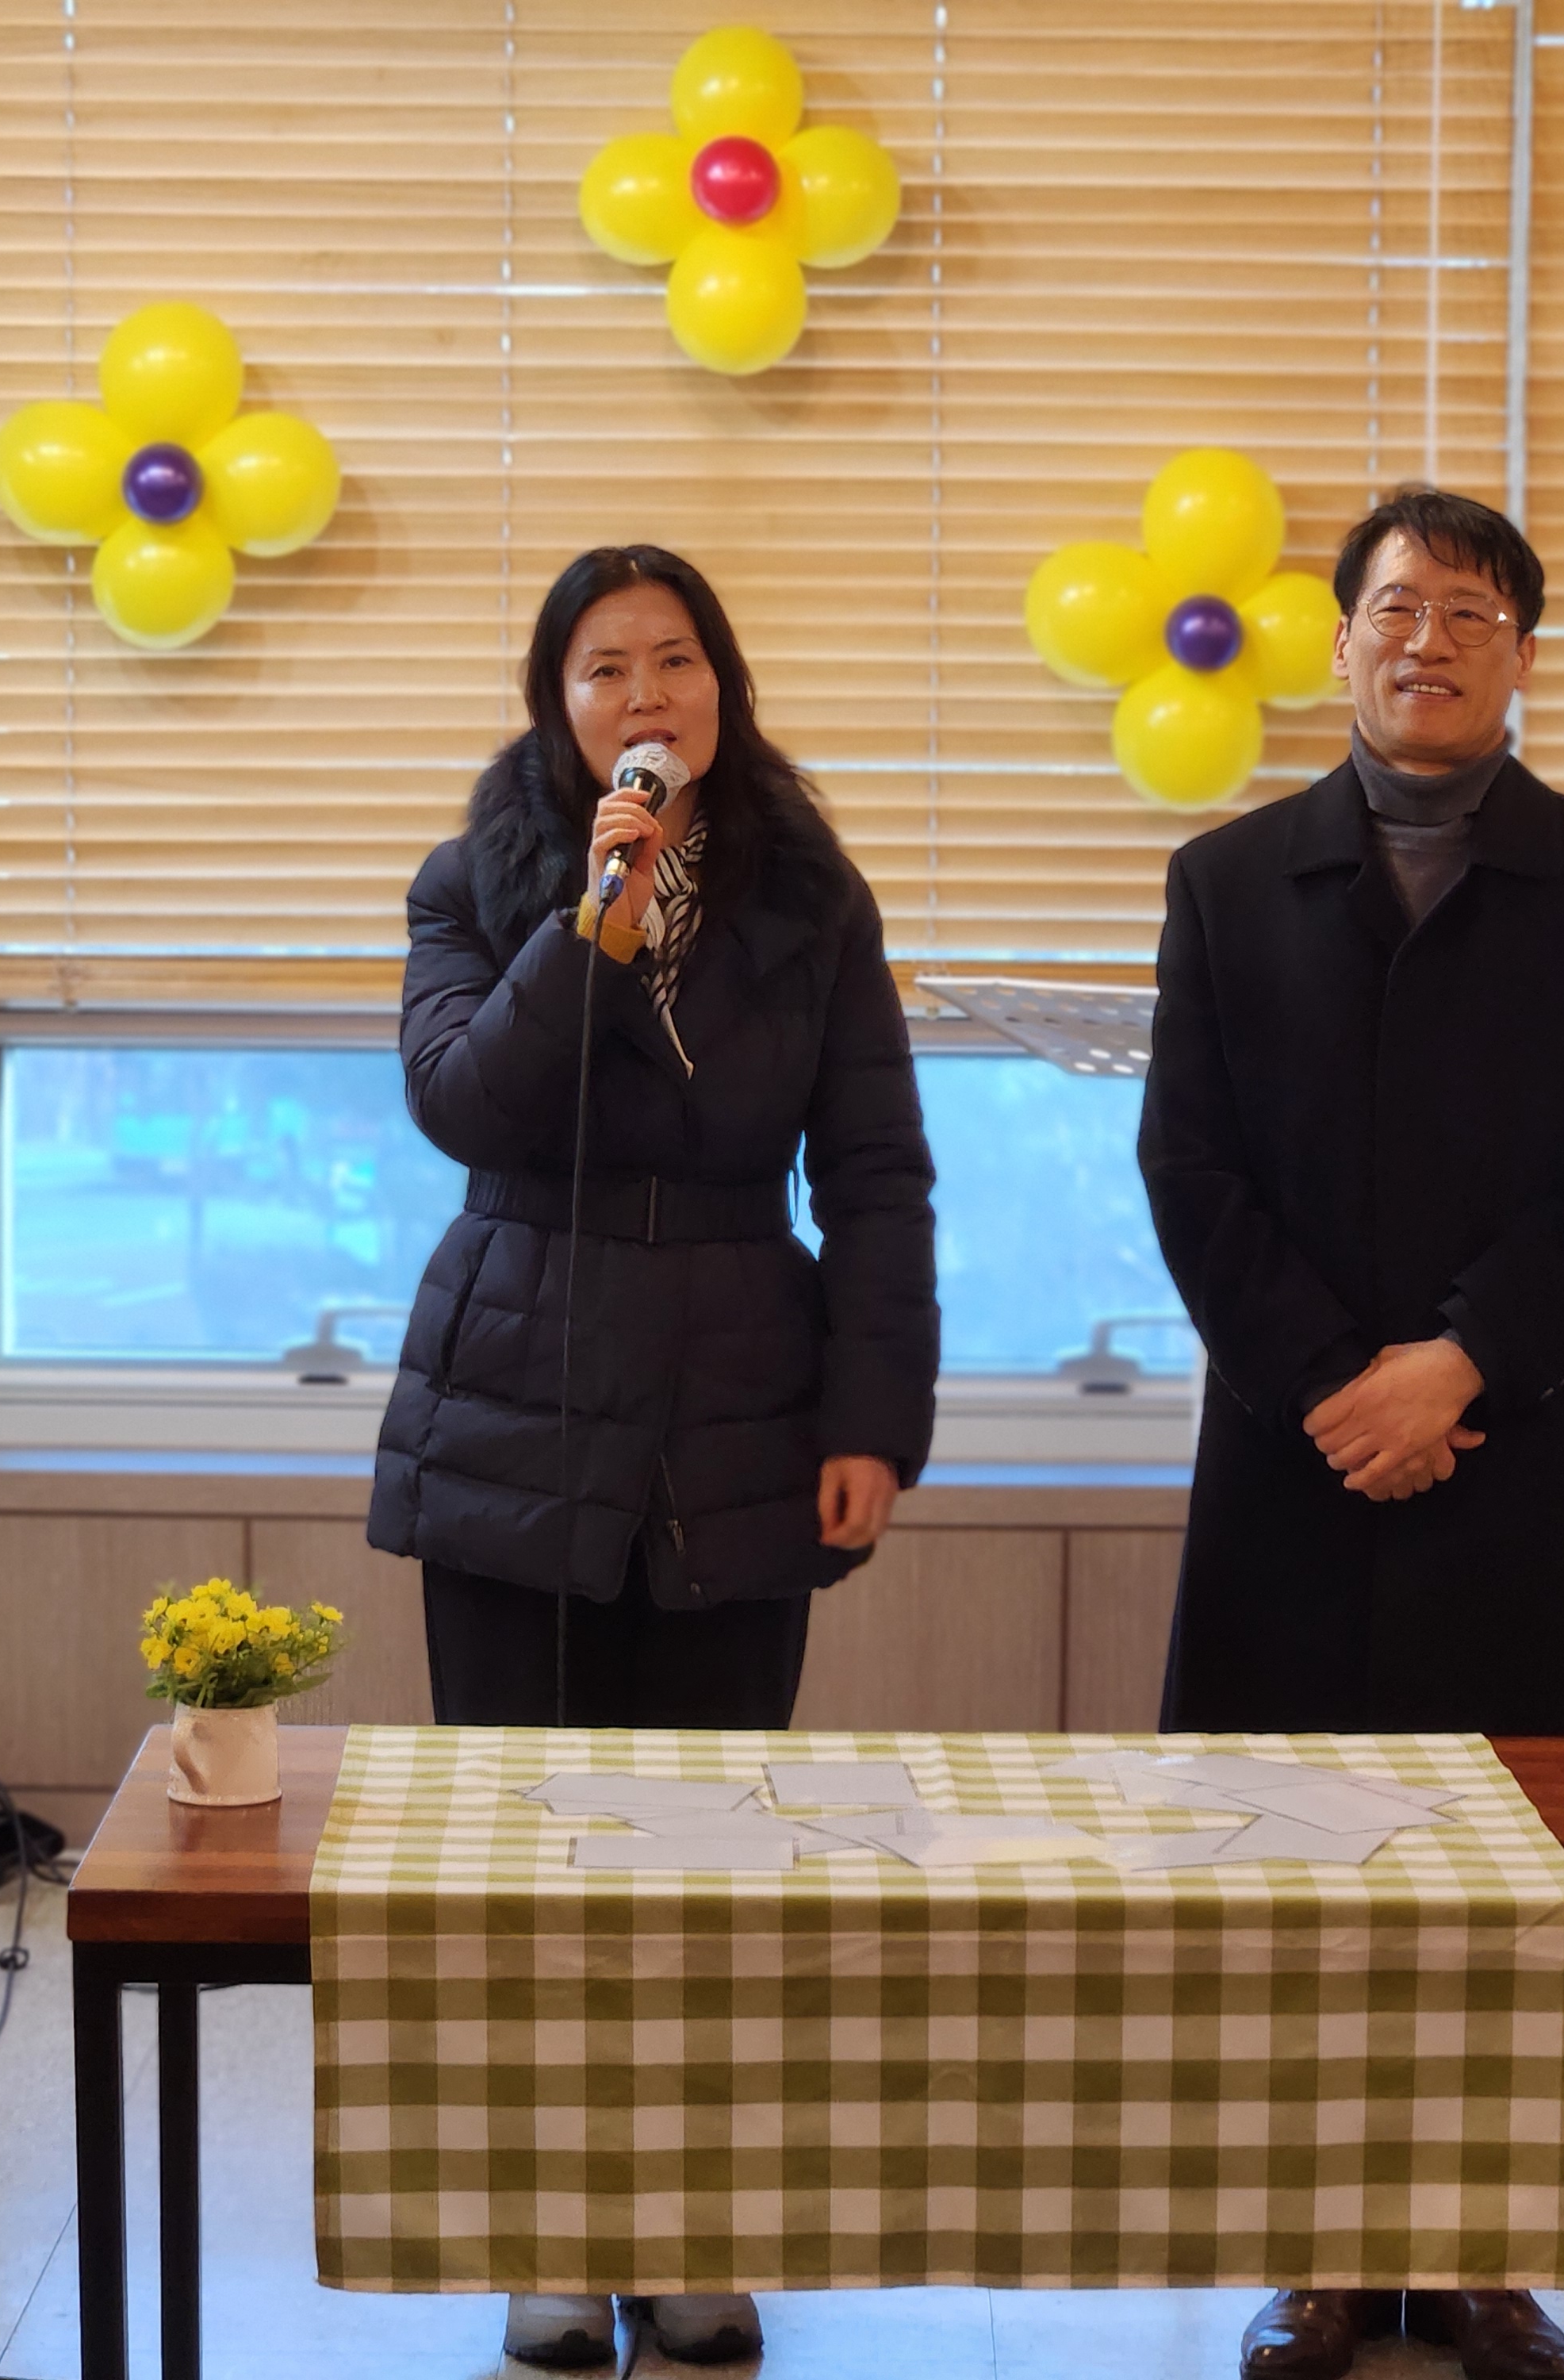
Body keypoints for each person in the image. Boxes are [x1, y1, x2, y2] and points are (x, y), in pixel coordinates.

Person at [1137, 486, 1564, 2380]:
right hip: (1294, 1456)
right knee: (1295, 1869)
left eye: (1469, 612)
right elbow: (1188, 1170)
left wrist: (1456, 1365)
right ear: (1338, 643)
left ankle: (1481, 2261)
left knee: (1514, 1876)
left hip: (1520, 1447)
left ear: (1521, 655)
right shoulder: (1224, 883)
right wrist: (1335, 1384)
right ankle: (1314, 2252)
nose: (1427, 641)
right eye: (1394, 607)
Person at [369, 543, 940, 2371]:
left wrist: (873, 1419)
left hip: (740, 1390)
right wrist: (586, 932)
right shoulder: (476, 882)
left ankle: (691, 2221)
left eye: (673, 660)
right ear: (559, 707)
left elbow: (874, 1174)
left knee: (710, 1853)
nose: (642, 695)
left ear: (721, 688)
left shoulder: (811, 898)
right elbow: (461, 1101)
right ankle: (547, 2229)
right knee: (527, 1854)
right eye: (603, 667)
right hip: (515, 1373)